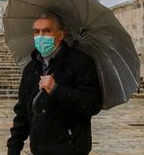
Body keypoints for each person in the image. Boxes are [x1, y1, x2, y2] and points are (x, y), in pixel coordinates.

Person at [7, 13, 103, 155]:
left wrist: (56, 90)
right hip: (40, 150)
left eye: (46, 31)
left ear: (60, 35)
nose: (40, 36)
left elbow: (91, 104)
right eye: (36, 32)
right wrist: (13, 148)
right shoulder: (31, 69)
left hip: (71, 149)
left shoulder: (80, 63)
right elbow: (23, 112)